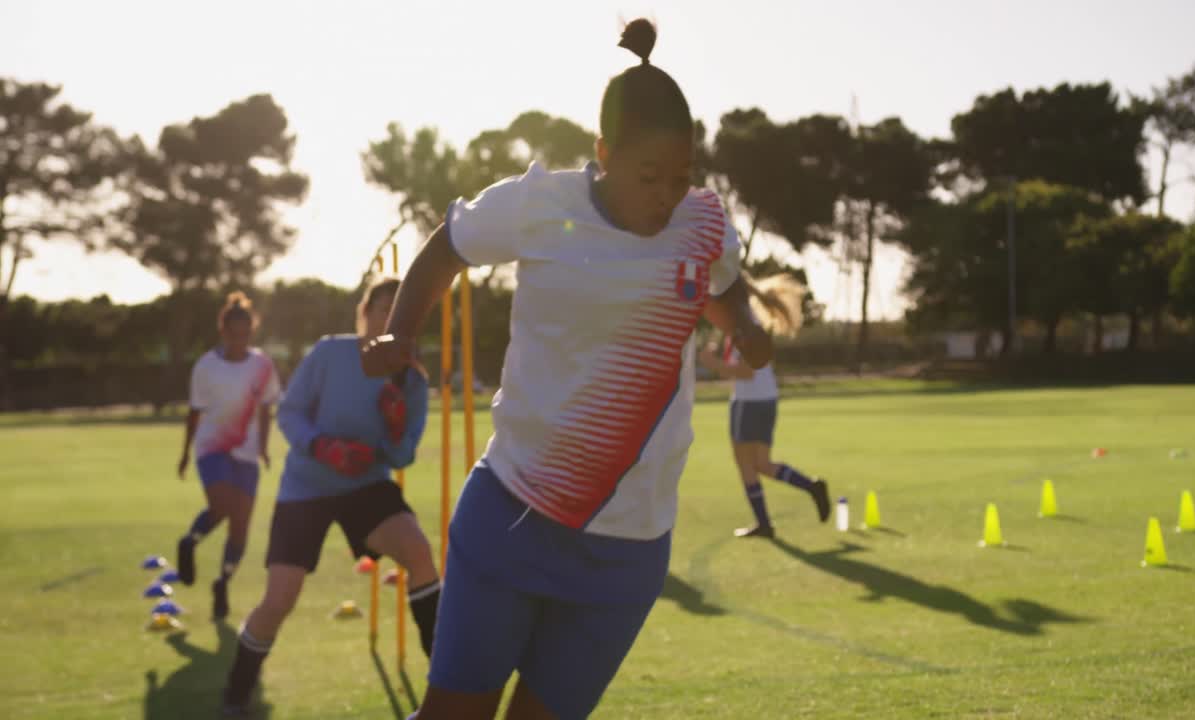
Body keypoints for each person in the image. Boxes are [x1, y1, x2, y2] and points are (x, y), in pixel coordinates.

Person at [362, 19, 773, 720]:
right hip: (513, 517)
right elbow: (445, 249)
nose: (667, 194)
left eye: (681, 177)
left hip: (629, 551)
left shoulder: (702, 224)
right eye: (649, 176)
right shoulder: (539, 205)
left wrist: (751, 333)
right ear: (603, 152)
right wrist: (400, 332)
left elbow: (726, 288)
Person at [221, 278, 441, 715]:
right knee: (279, 599)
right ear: (366, 312)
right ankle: (235, 694)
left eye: (402, 310)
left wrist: (395, 426)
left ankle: (448, 693)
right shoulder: (329, 353)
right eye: (384, 308)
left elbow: (402, 456)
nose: (391, 318)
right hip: (306, 486)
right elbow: (289, 412)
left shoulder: (411, 380)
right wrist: (324, 446)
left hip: (367, 486)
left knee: (418, 552)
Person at [698, 274, 831, 539]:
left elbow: (747, 371)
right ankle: (808, 490)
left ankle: (770, 520)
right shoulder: (741, 323)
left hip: (751, 402)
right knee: (758, 464)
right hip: (757, 399)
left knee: (750, 464)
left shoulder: (745, 325)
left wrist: (713, 365)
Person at [176, 291, 281, 620]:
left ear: (253, 331)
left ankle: (222, 582)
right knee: (221, 507)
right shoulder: (206, 367)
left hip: (247, 454)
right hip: (212, 448)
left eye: (246, 333)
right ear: (223, 331)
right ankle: (189, 543)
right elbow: (194, 413)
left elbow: (266, 408)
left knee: (241, 527)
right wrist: (183, 454)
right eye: (233, 333)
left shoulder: (262, 365)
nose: (240, 339)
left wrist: (263, 447)